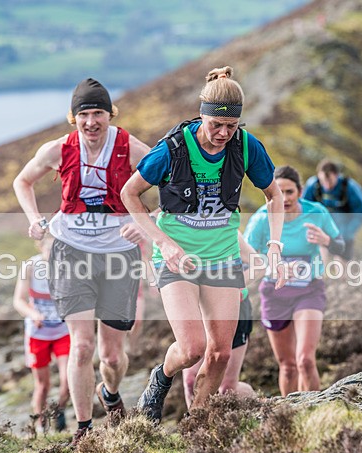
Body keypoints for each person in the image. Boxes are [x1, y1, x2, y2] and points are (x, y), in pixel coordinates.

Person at [121, 66, 285, 423]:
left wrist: (274, 245)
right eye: (216, 125)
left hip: (222, 257)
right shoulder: (173, 149)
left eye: (232, 126)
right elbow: (129, 193)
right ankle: (160, 378)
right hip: (178, 260)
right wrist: (162, 243)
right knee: (193, 348)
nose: (224, 133)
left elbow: (274, 196)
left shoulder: (246, 146)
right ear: (202, 116)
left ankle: (197, 423)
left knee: (221, 355)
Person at [12, 77, 151, 447]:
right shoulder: (57, 150)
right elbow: (22, 182)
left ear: (110, 115)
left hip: (118, 255)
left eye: (98, 114)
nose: (91, 122)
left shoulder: (129, 146)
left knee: (111, 354)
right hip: (70, 251)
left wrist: (146, 226)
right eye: (84, 114)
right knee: (82, 346)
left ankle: (111, 391)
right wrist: (33, 217)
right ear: (74, 118)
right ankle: (84, 430)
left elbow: (170, 181)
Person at [245, 165, 344, 395]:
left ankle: (313, 413)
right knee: (288, 367)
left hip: (309, 292)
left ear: (300, 191)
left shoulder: (316, 212)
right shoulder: (261, 220)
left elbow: (343, 247)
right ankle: (289, 417)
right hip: (274, 294)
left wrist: (326, 240)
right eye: (279, 192)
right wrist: (275, 265)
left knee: (305, 361)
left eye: (290, 192)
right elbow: (247, 259)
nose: (285, 198)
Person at [181, 234, 258, 407]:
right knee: (190, 380)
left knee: (227, 388)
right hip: (197, 309)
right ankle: (195, 428)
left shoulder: (227, 227)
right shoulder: (181, 227)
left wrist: (234, 285)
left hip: (233, 309)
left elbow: (259, 265)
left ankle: (258, 403)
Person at [13, 236, 70, 433]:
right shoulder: (30, 267)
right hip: (38, 334)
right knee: (43, 386)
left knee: (68, 381)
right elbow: (19, 301)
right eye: (51, 249)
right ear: (41, 247)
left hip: (63, 332)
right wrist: (33, 313)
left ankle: (59, 410)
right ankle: (40, 426)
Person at [302, 159, 362, 264]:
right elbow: (305, 208)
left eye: (330, 181)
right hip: (322, 230)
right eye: (323, 182)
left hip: (343, 232)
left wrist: (347, 233)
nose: (326, 186)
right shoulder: (313, 185)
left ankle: (342, 278)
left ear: (336, 175)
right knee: (319, 261)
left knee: (342, 265)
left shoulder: (350, 188)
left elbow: (360, 213)